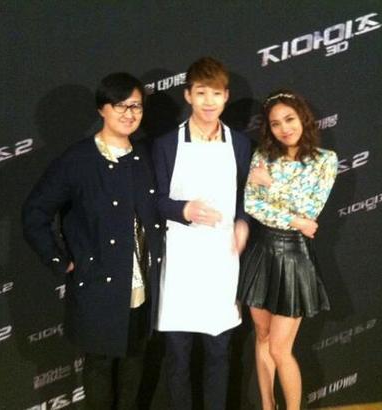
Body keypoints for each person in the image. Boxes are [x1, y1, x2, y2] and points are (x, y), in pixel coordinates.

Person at [22, 72, 162, 410]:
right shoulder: (78, 161)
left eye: (136, 106)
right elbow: (35, 214)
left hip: (142, 287)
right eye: (120, 105)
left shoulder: (145, 157)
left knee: (134, 362)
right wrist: (60, 261)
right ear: (102, 109)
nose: (129, 114)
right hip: (98, 287)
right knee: (99, 367)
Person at [151, 57, 251, 410]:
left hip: (222, 259)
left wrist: (243, 222)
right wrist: (183, 210)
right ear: (188, 95)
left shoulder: (240, 144)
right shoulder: (167, 144)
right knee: (178, 355)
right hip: (181, 259)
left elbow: (245, 197)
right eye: (201, 92)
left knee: (219, 353)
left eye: (216, 93)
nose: (209, 101)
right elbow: (155, 201)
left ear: (226, 96)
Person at [237, 89, 338, 410]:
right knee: (262, 337)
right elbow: (252, 205)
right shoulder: (263, 157)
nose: (284, 128)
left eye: (289, 119)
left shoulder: (325, 160)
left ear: (302, 118)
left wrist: (272, 185)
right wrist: (295, 220)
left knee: (280, 349)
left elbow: (310, 209)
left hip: (294, 259)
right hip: (261, 253)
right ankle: (268, 406)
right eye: (275, 123)